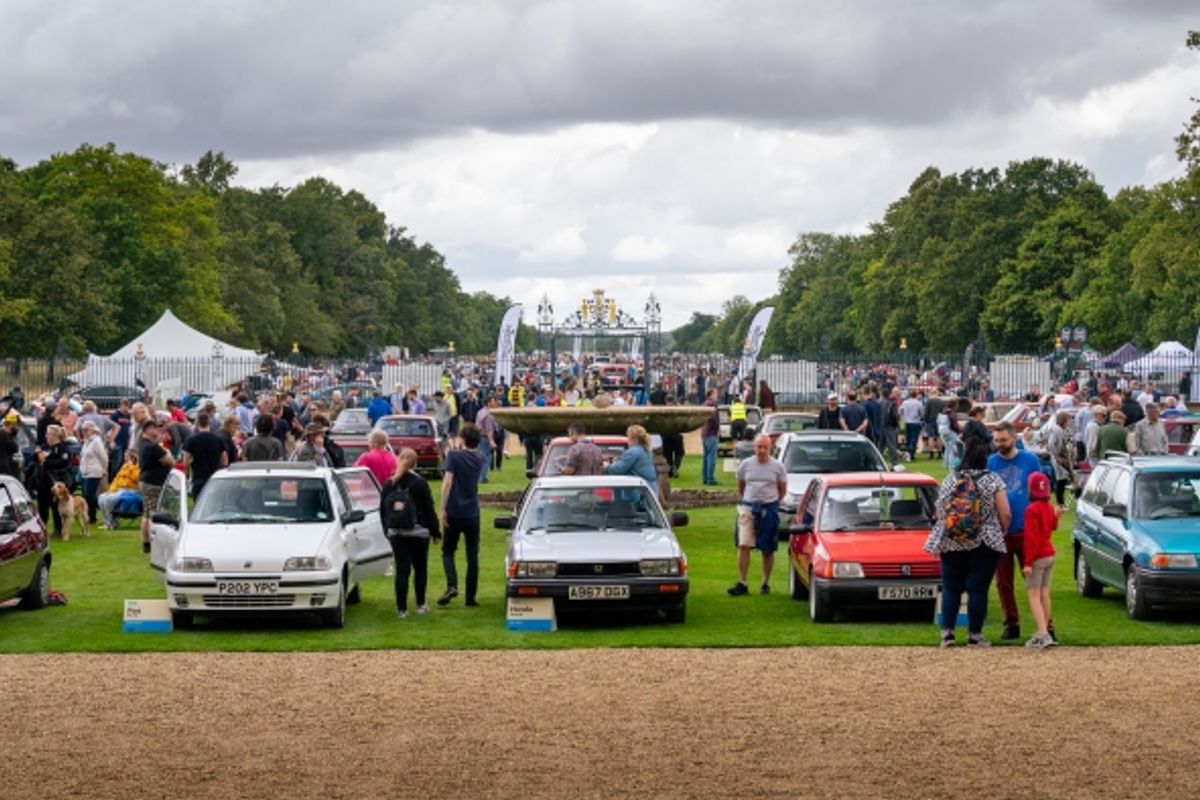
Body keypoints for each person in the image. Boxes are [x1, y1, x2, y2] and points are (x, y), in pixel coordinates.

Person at [925, 438, 1011, 647]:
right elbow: (1005, 513)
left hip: (951, 539)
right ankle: (975, 635)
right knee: (977, 589)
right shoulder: (992, 480)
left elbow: (939, 510)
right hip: (984, 539)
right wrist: (1002, 531)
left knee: (951, 587)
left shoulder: (950, 480)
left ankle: (947, 633)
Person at [987, 421, 1043, 641]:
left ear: (1013, 437)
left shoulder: (1030, 460)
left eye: (1003, 440)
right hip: (1001, 531)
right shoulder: (991, 462)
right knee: (1003, 581)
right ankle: (1011, 622)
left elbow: (1039, 492)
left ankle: (1044, 624)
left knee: (1035, 581)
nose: (999, 444)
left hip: (1026, 529)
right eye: (996, 440)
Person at [381, 448, 441, 619]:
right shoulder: (420, 483)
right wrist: (436, 532)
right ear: (416, 463)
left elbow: (383, 510)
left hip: (397, 533)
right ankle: (421, 605)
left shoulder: (389, 484)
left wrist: (387, 530)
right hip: (419, 532)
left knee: (402, 571)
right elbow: (429, 509)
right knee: (420, 569)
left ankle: (402, 609)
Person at [728, 434, 788, 596]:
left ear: (770, 448)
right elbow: (741, 486)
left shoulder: (778, 467)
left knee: (768, 549)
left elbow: (782, 490)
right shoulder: (746, 465)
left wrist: (771, 502)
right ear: (754, 447)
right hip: (748, 508)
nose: (762, 450)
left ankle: (765, 583)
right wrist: (749, 500)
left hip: (769, 509)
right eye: (759, 447)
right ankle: (742, 582)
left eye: (765, 447)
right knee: (744, 545)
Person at [438, 423, 485, 607]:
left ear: (463, 439)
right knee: (472, 554)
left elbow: (448, 482)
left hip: (454, 510)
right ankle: (471, 597)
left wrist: (442, 508)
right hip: (472, 511)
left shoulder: (454, 456)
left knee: (448, 551)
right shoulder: (480, 458)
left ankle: (452, 585)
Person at [1022, 471, 1059, 649]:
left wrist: (1028, 563)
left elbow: (1031, 539)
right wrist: (1057, 515)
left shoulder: (1031, 509)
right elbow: (1053, 526)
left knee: (1033, 595)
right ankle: (1047, 630)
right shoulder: (1049, 507)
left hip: (1037, 557)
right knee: (1045, 594)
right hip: (1049, 553)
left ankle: (1042, 632)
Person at [138, 420, 175, 554]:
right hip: (154, 483)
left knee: (147, 514)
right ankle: (155, 543)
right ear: (147, 430)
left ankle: (146, 544)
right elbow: (170, 461)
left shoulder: (143, 444)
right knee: (154, 514)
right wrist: (168, 453)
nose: (158, 431)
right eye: (155, 428)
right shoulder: (152, 446)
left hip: (145, 481)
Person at [35, 425, 74, 537]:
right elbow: (37, 460)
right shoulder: (44, 447)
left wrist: (47, 463)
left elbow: (64, 463)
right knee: (42, 507)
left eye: (49, 434)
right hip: (43, 481)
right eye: (47, 433)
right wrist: (36, 454)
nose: (46, 436)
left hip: (56, 481)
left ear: (55, 435)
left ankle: (58, 529)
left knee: (56, 507)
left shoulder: (63, 448)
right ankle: (42, 530)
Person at [181, 412, 229, 501]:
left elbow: (185, 461)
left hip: (199, 478)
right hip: (215, 478)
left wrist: (187, 474)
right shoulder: (217, 439)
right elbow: (225, 459)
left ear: (197, 424)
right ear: (209, 423)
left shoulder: (191, 440)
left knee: (199, 504)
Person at [604, 424, 657, 491]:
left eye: (628, 436)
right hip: (650, 489)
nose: (627, 439)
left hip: (637, 493)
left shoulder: (633, 452)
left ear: (633, 439)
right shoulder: (646, 451)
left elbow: (616, 470)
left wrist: (605, 466)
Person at [97, 449, 140, 530]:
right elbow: (116, 480)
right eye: (125, 456)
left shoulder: (137, 467)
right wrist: (111, 490)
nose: (125, 458)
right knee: (101, 497)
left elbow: (137, 479)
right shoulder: (124, 466)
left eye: (127, 456)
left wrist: (131, 467)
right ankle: (107, 522)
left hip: (131, 490)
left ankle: (113, 523)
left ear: (133, 458)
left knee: (109, 499)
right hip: (119, 490)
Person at [78, 421, 108, 526]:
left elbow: (103, 457)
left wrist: (104, 469)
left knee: (89, 495)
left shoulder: (96, 441)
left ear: (93, 429)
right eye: (82, 430)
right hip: (85, 472)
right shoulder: (87, 442)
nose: (84, 432)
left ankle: (105, 508)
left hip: (94, 472)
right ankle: (92, 518)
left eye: (86, 430)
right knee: (87, 496)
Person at [1044, 411, 1076, 510]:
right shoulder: (1056, 430)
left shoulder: (1065, 430)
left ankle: (1064, 502)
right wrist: (1057, 455)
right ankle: (1060, 503)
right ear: (1063, 420)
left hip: (1066, 458)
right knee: (1061, 480)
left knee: (1065, 479)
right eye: (1069, 419)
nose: (1071, 421)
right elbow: (1051, 444)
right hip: (1059, 459)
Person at [475, 395, 497, 483]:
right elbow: (489, 429)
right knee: (486, 458)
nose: (495, 403)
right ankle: (481, 477)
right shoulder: (488, 414)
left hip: (479, 436)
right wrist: (491, 441)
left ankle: (480, 477)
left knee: (480, 456)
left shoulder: (480, 412)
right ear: (489, 403)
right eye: (494, 401)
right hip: (485, 437)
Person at [700, 388, 720, 486]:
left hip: (704, 432)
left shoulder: (704, 404)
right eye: (716, 394)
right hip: (711, 432)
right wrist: (717, 429)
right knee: (711, 457)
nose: (717, 396)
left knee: (705, 457)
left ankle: (705, 477)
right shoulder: (713, 405)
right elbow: (714, 419)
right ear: (711, 394)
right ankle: (710, 478)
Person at [899, 391, 924, 461]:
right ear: (916, 395)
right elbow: (922, 413)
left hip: (907, 422)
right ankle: (911, 454)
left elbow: (900, 411)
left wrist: (903, 416)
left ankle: (908, 453)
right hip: (916, 422)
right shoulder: (919, 403)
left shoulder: (905, 402)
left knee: (908, 438)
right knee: (914, 438)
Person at [0, 411, 20, 478]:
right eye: (16, 425)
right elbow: (14, 448)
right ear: (11, 424)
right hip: (3, 471)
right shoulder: (4, 435)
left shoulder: (4, 434)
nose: (17, 427)